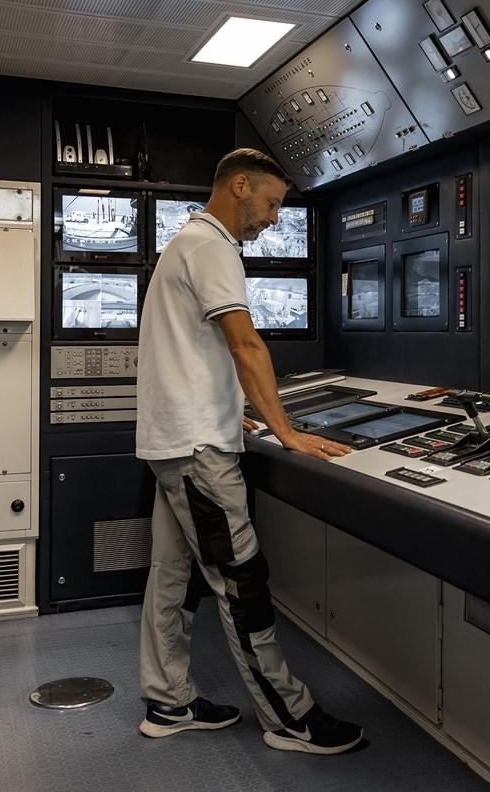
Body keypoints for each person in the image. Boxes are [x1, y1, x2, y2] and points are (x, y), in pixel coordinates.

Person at [135, 147, 361, 755]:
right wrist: (286, 431)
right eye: (271, 204)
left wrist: (251, 417)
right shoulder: (212, 245)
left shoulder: (185, 241)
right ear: (239, 186)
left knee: (174, 576)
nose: (272, 219)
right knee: (241, 580)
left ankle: (167, 699)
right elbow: (245, 345)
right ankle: (290, 716)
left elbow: (210, 356)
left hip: (177, 442)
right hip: (198, 448)